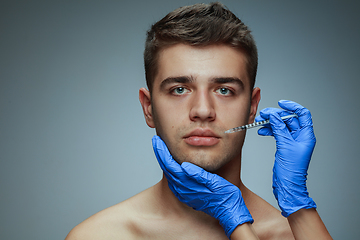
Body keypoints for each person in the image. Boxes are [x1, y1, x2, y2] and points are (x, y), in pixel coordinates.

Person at [66, 2, 332, 239]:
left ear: (252, 107)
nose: (203, 110)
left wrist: (296, 203)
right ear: (148, 108)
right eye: (179, 89)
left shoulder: (292, 234)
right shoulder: (100, 236)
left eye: (224, 90)